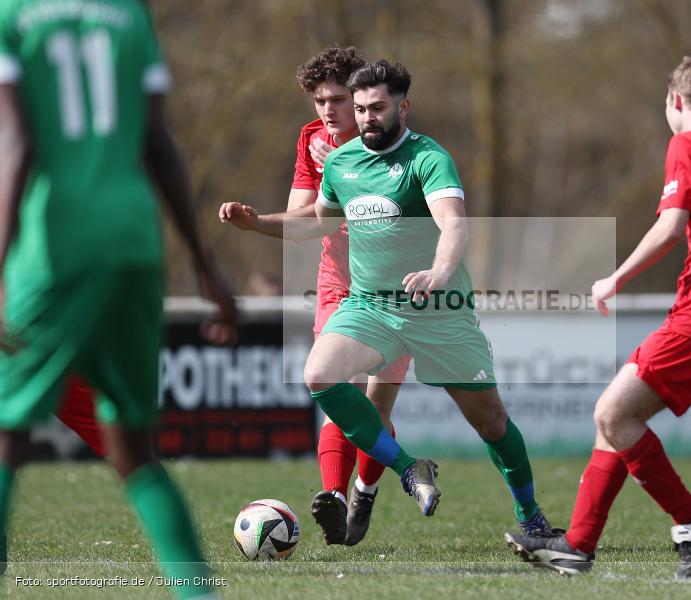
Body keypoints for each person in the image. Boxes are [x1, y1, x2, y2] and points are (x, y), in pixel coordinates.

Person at [505, 54, 691, 578]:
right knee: (612, 421)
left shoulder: (688, 144)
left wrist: (614, 278)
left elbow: (670, 227)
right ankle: (578, 544)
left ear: (675, 102)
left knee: (613, 414)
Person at [0, 1, 238, 598]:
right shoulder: (129, 11)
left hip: (55, 246)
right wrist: (207, 265)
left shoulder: (13, 13)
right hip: (135, 242)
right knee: (134, 449)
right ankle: (197, 593)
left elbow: (19, 139)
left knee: (7, 437)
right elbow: (159, 143)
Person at [304, 59, 553, 535]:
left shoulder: (428, 158)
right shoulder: (340, 162)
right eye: (359, 109)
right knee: (319, 374)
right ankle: (408, 468)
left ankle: (531, 517)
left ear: (404, 105)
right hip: (370, 306)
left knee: (492, 423)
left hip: (438, 311)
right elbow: (317, 220)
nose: (366, 118)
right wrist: (261, 225)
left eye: (377, 107)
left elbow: (454, 223)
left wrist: (441, 270)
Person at [219, 46, 411, 546]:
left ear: (364, 97)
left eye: (337, 99)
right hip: (338, 284)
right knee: (334, 388)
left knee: (378, 409)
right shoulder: (312, 140)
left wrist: (345, 171)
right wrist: (257, 223)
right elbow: (304, 221)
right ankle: (336, 497)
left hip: (394, 287)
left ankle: (365, 493)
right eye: (318, 100)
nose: (327, 110)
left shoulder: (392, 140)